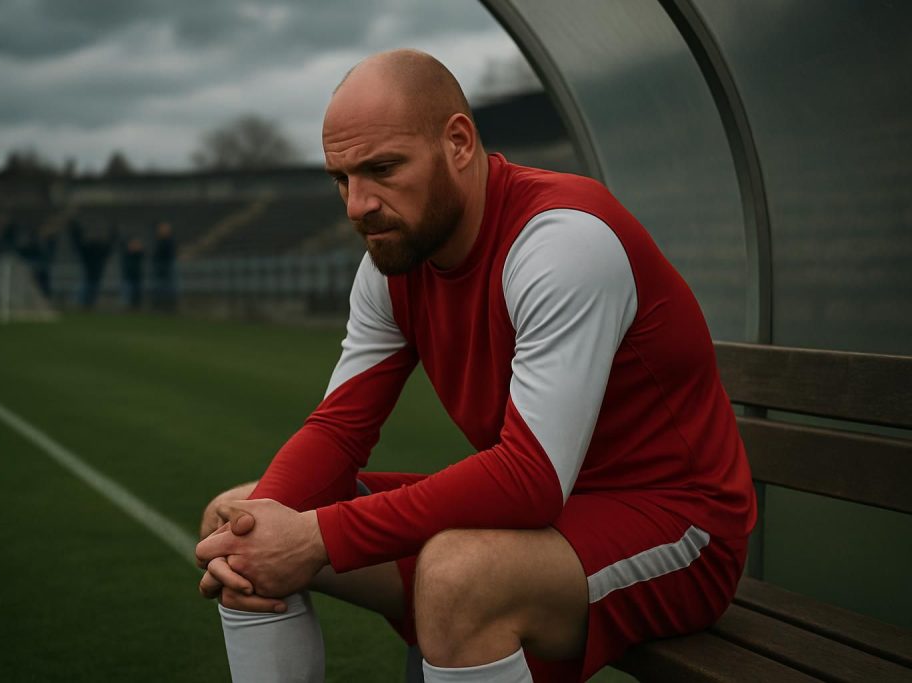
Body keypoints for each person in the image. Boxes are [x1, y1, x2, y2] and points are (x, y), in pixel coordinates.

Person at [196, 49, 756, 683]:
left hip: (680, 528)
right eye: (341, 178)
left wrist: (316, 537)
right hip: (544, 521)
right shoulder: (397, 259)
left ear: (458, 143)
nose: (357, 205)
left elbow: (529, 477)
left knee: (459, 578)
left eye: (383, 168)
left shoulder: (560, 241)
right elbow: (338, 428)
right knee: (234, 518)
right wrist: (259, 526)